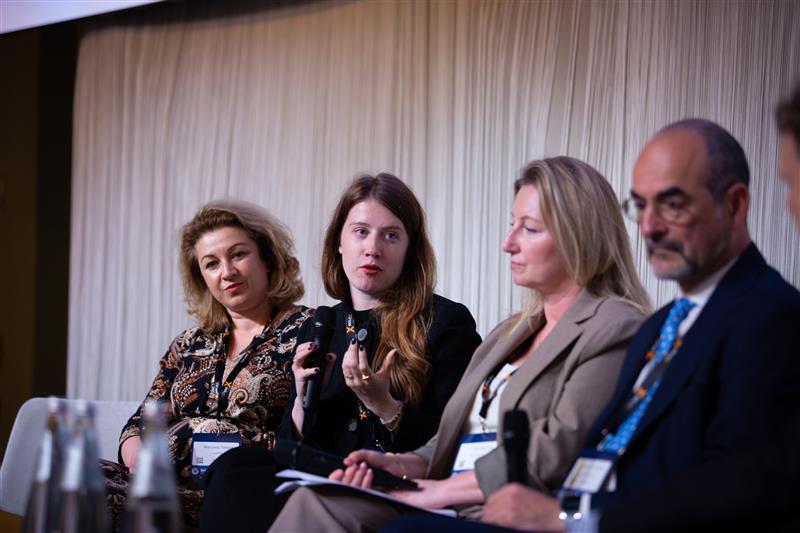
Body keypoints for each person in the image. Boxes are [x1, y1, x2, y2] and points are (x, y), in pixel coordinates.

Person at [267, 156, 651, 532]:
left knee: (327, 509)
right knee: (304, 497)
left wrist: (438, 489)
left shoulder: (616, 327)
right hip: (453, 500)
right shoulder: (510, 332)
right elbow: (453, 437)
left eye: (529, 229)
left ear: (579, 236)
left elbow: (556, 451)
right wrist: (404, 467)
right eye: (511, 225)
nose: (507, 243)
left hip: (511, 509)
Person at [459, 118, 800, 533]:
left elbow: (735, 490)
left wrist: (569, 519)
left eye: (671, 204)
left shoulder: (771, 316)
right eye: (641, 205)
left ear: (733, 205)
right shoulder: (659, 327)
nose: (650, 226)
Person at [199, 173, 482, 532]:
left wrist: (385, 406)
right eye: (361, 232)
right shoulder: (322, 323)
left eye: (391, 235)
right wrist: (302, 400)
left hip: (390, 481)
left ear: (410, 250)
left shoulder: (446, 321)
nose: (373, 248)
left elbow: (457, 442)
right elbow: (288, 446)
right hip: (325, 472)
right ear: (339, 243)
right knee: (235, 468)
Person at [102, 200, 312, 529]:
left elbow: (307, 437)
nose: (227, 272)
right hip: (166, 486)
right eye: (211, 264)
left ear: (268, 258)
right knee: (78, 480)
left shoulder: (307, 331)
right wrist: (138, 458)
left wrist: (195, 432)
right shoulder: (189, 343)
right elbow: (140, 423)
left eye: (238, 254)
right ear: (201, 277)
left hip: (243, 490)